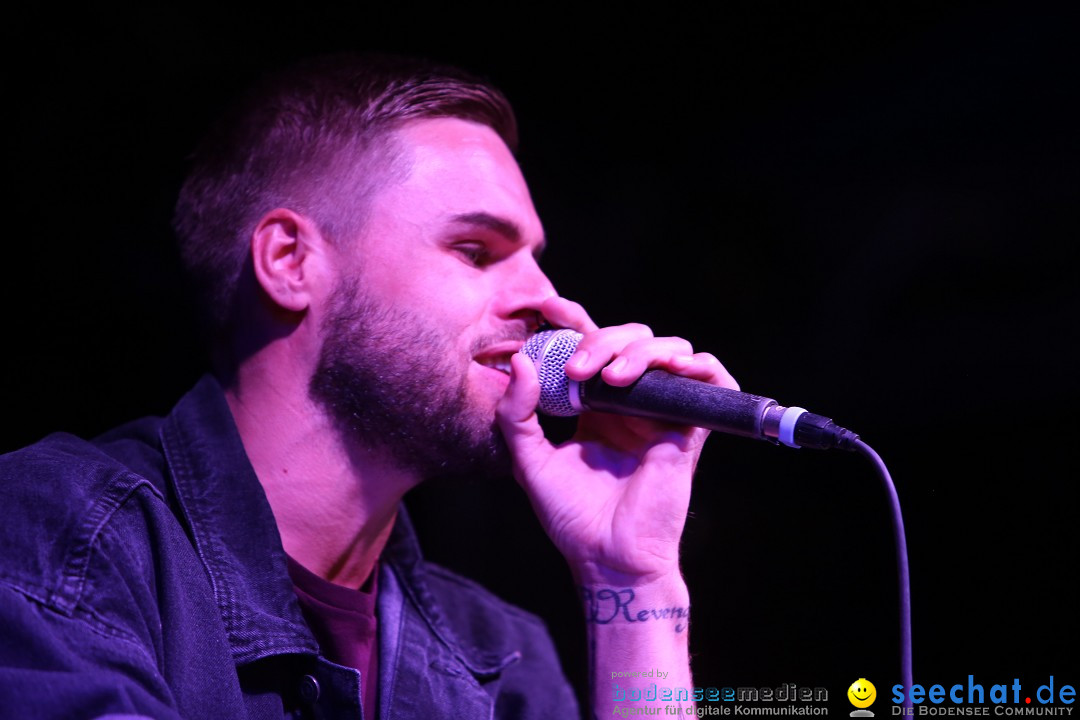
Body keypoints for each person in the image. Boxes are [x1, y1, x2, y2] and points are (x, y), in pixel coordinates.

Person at [0, 53, 738, 719]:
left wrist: (632, 582)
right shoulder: (63, 533)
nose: (549, 301)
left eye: (538, 261)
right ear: (290, 261)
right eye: (475, 250)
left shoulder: (504, 657)